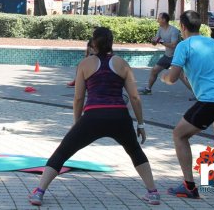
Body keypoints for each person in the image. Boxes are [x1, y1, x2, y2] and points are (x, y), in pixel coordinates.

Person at [28, 27, 160, 206]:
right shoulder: (122, 64)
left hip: (93, 116)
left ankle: (39, 192)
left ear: (94, 43)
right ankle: (152, 193)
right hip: (119, 116)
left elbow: (78, 97)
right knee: (135, 151)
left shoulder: (85, 64)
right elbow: (135, 97)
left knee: (62, 152)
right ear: (111, 42)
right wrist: (141, 124)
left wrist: (77, 123)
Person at [161, 11, 214, 199]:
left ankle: (189, 187)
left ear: (182, 26)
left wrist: (165, 77)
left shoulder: (184, 45)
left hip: (213, 99)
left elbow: (172, 78)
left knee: (179, 135)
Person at [139, 13, 180, 95]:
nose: (157, 20)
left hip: (177, 57)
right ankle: (148, 90)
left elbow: (173, 45)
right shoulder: (160, 29)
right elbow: (155, 43)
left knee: (183, 77)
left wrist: (160, 41)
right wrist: (153, 40)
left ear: (164, 20)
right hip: (167, 56)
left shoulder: (174, 30)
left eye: (159, 18)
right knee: (154, 70)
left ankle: (197, 94)